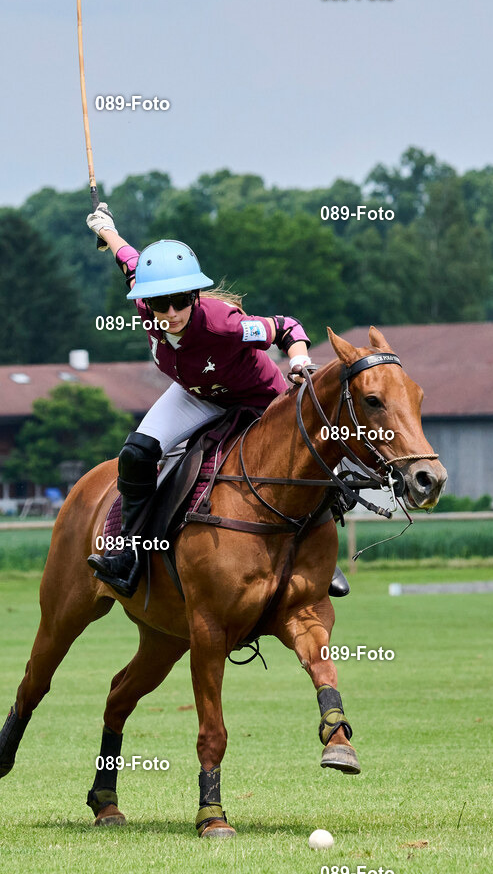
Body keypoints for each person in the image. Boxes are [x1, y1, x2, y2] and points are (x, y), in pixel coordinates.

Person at [84, 203, 349, 600]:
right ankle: (129, 553)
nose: (170, 313)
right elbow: (129, 259)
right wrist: (106, 230)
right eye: (160, 303)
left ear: (194, 295)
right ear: (146, 300)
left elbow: (285, 327)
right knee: (137, 454)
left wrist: (299, 360)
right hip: (197, 396)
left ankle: (322, 559)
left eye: (180, 300)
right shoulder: (145, 301)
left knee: (305, 461)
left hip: (260, 399)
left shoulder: (224, 325)